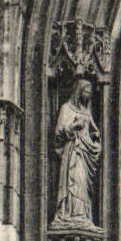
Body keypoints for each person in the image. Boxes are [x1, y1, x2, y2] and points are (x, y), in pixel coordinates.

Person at [51, 77, 101, 229]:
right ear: (79, 91)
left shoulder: (86, 111)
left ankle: (82, 216)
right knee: (73, 180)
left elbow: (93, 131)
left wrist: (95, 142)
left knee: (82, 183)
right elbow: (59, 131)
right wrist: (74, 126)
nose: (88, 94)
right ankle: (69, 215)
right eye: (86, 90)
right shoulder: (67, 108)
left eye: (90, 92)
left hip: (84, 151)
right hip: (73, 150)